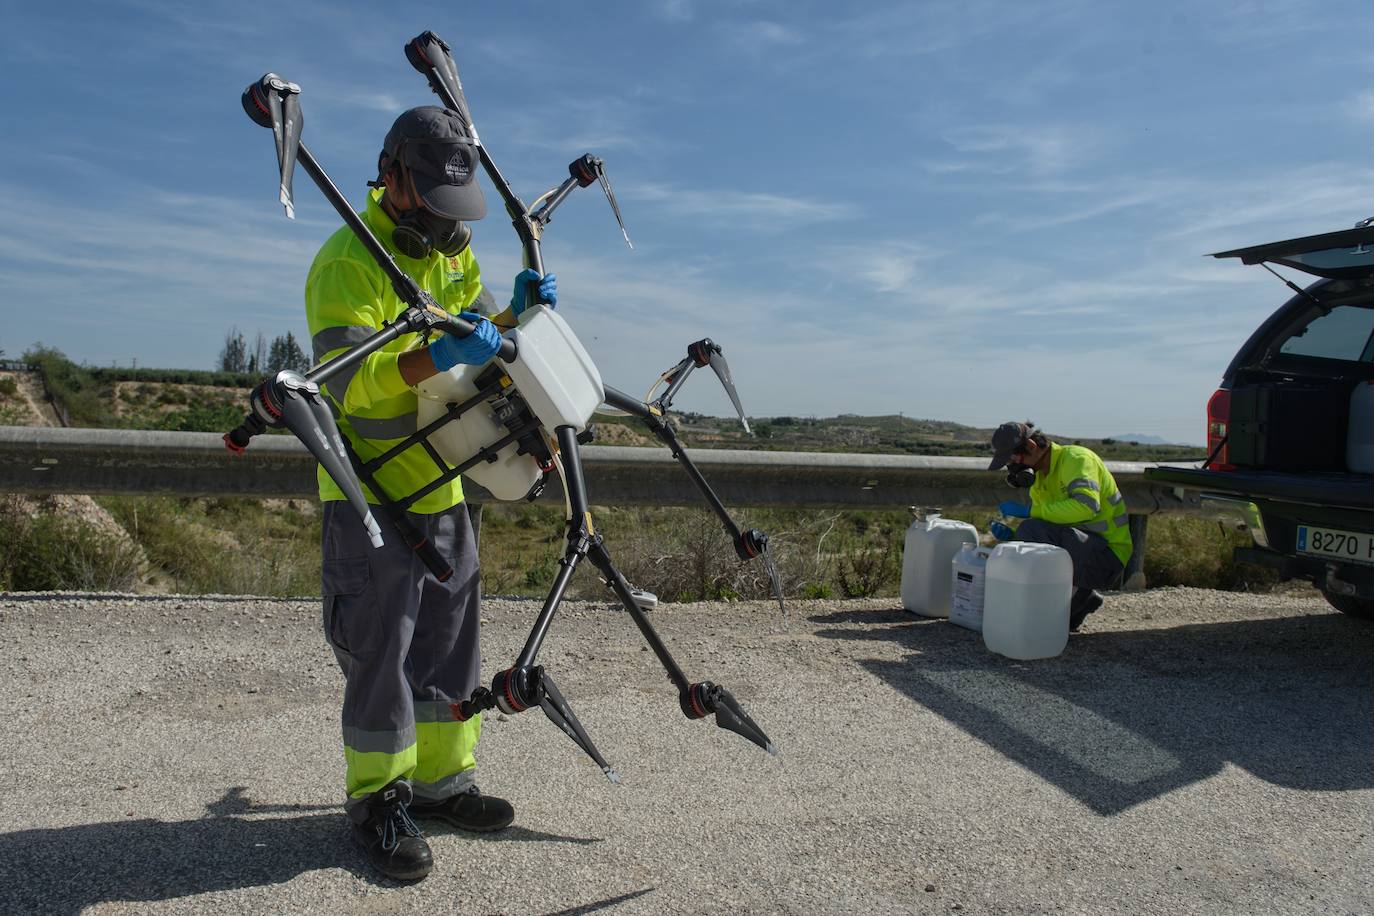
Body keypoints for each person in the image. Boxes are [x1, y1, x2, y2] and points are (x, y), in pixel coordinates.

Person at [305, 106, 557, 881]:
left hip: (442, 482)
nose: (450, 225)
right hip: (370, 491)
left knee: (449, 642)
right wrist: (436, 354)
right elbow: (350, 382)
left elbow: (477, 335)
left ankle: (443, 784)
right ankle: (379, 801)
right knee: (381, 647)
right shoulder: (347, 262)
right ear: (392, 178)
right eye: (435, 203)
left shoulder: (453, 252)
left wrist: (515, 312)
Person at [985, 421, 1133, 632]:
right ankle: (1079, 599)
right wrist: (1014, 536)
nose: (1013, 466)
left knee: (1030, 528)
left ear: (1031, 446)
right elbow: (1049, 527)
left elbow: (1086, 507)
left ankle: (1070, 597)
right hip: (1085, 550)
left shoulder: (1076, 460)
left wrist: (1030, 512)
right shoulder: (1040, 481)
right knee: (1028, 532)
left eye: (1013, 458)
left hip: (1108, 556)